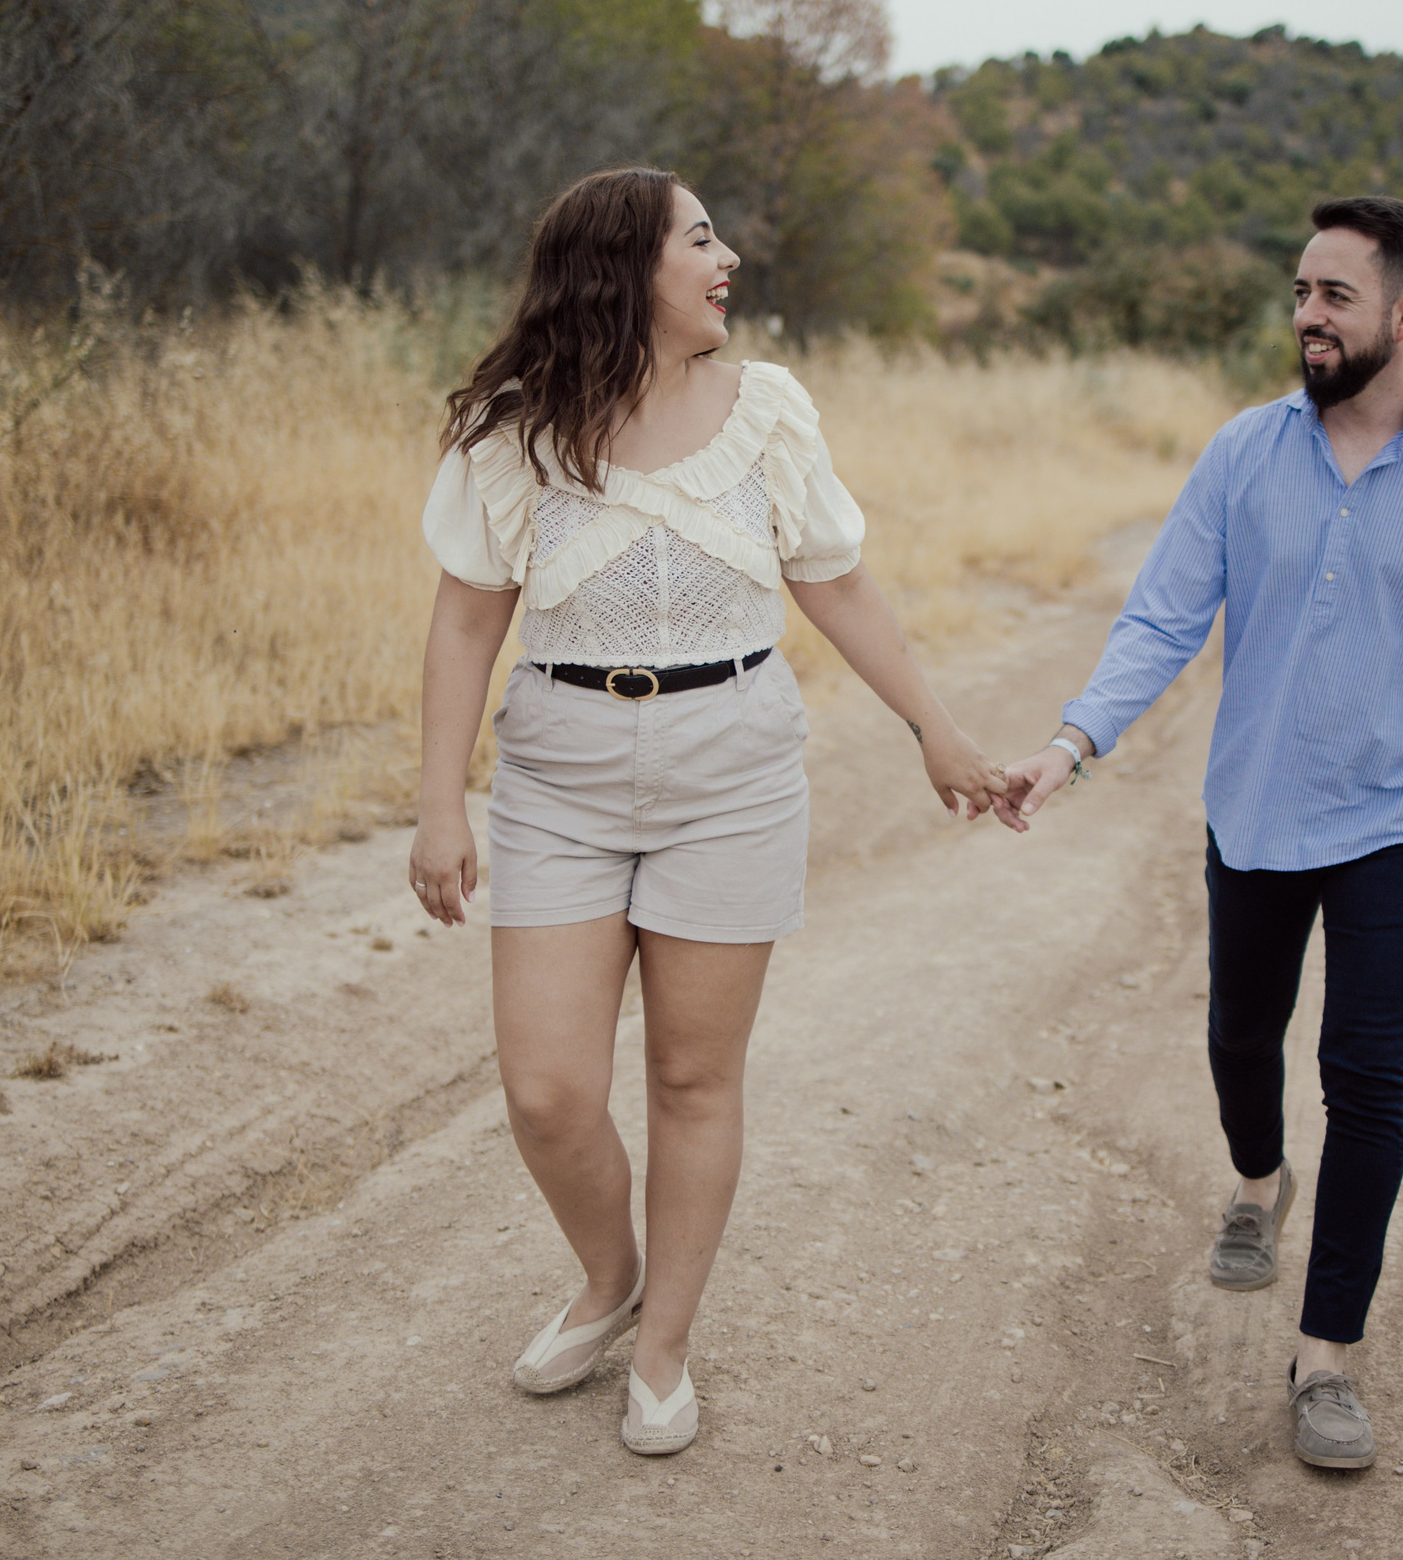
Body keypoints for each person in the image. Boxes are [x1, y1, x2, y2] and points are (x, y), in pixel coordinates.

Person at [410, 166, 1008, 1458]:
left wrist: (936, 726)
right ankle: (610, 1272)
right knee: (548, 1087)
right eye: (700, 238)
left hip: (733, 765)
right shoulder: (520, 426)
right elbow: (466, 617)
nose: (727, 256)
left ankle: (665, 1341)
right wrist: (438, 802)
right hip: (561, 772)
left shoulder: (770, 411)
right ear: (627, 269)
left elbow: (836, 584)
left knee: (692, 1071)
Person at [994, 196, 1403, 1470]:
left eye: (1334, 296)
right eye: (1300, 291)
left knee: (1368, 1079)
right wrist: (1070, 747)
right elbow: (1162, 620)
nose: (1306, 315)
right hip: (1253, 810)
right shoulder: (1244, 453)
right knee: (1240, 1032)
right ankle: (1255, 1180)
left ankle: (1325, 1354)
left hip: (1394, 824)